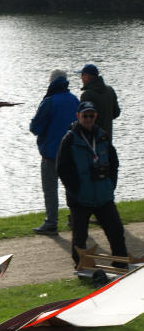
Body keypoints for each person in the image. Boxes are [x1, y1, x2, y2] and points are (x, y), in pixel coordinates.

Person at [56, 101, 127, 267]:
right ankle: (82, 266)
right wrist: (76, 190)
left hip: (104, 196)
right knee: (80, 237)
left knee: (116, 231)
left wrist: (111, 185)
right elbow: (62, 168)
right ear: (78, 116)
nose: (88, 119)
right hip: (80, 199)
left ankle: (121, 264)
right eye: (85, 116)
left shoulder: (102, 136)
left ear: (95, 117)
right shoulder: (69, 139)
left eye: (91, 116)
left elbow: (114, 163)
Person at [30, 69, 79, 235]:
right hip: (72, 152)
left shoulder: (49, 101)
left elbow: (35, 127)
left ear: (51, 81)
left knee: (50, 189)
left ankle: (51, 222)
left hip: (51, 153)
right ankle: (76, 218)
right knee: (71, 187)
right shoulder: (74, 100)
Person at [78, 63, 120, 140]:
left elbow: (82, 120)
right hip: (107, 139)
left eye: (82, 75)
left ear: (87, 76)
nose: (81, 78)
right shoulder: (110, 90)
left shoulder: (87, 95)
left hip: (91, 140)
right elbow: (116, 113)